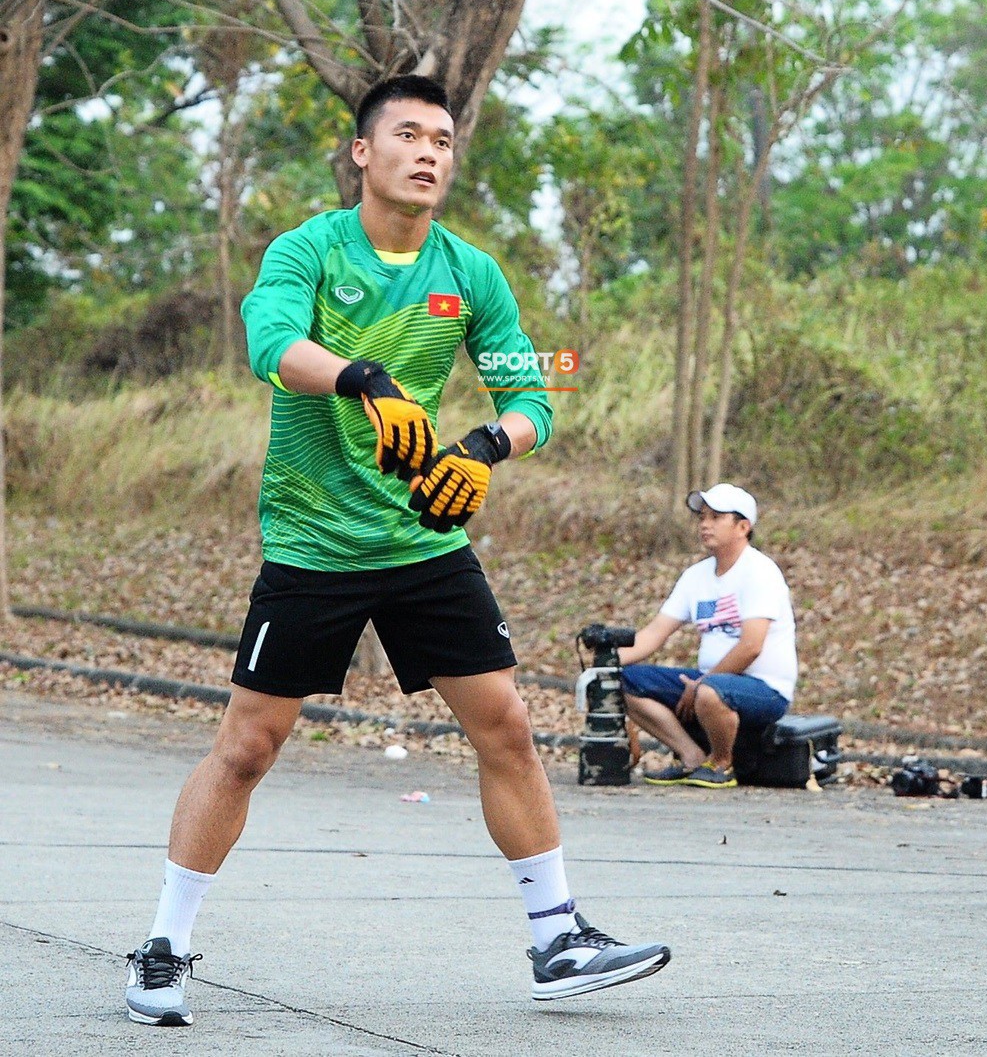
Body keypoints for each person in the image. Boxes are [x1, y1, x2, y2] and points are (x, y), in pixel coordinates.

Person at [123, 75, 668, 1026]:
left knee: (505, 725)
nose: (429, 152)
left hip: (424, 536)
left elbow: (532, 394)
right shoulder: (308, 250)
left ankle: (557, 936)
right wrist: (362, 376)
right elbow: (271, 343)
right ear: (362, 154)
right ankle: (163, 949)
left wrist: (489, 446)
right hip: (314, 538)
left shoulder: (473, 272)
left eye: (445, 140)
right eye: (408, 134)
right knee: (249, 745)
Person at [620, 484, 797, 790]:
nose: (705, 524)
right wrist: (606, 663)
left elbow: (751, 647)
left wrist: (703, 683)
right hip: (709, 682)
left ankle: (722, 764)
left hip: (765, 689)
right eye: (702, 517)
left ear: (743, 527)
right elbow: (654, 633)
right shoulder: (696, 576)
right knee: (625, 681)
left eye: (716, 517)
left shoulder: (760, 572)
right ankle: (692, 758)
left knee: (710, 692)